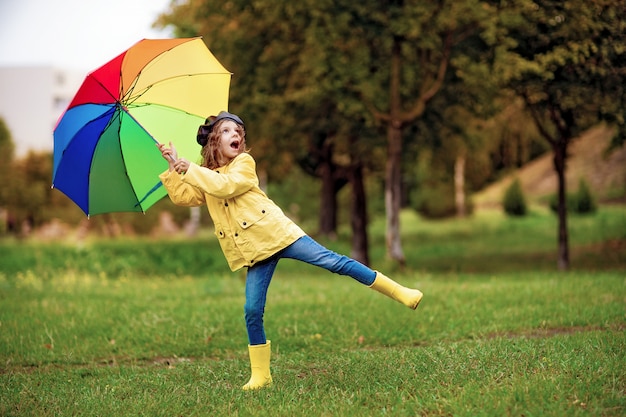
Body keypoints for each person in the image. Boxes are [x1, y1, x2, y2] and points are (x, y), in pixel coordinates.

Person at [157, 111, 423, 391]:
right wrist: (174, 166)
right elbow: (187, 197)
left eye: (238, 131)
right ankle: (261, 375)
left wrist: (193, 171)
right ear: (213, 140)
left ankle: (399, 291)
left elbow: (227, 187)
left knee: (334, 262)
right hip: (254, 252)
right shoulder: (206, 176)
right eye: (226, 131)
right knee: (251, 310)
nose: (235, 135)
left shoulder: (244, 164)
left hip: (279, 235)